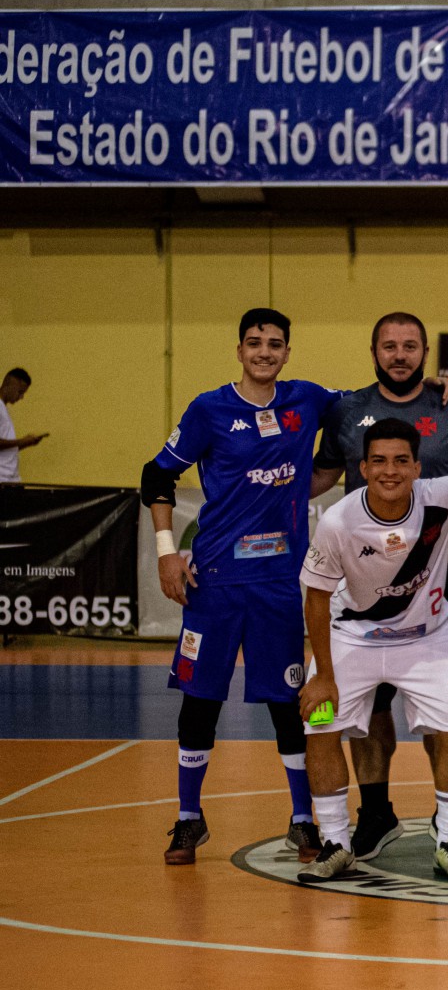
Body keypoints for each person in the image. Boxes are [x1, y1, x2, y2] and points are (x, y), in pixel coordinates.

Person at [139, 309, 342, 865]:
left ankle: (303, 820)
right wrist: (167, 554)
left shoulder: (308, 399)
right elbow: (156, 475)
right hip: (215, 583)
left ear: (287, 352)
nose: (264, 352)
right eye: (254, 343)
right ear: (239, 350)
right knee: (201, 701)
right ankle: (188, 818)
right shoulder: (209, 409)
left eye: (275, 344)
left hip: (280, 585)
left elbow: (371, 404)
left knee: (287, 703)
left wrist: (437, 389)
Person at [313, 311, 448, 861]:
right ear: (373, 352)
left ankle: (447, 826)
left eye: (410, 346)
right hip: (361, 597)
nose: (400, 355)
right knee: (364, 714)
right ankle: (373, 813)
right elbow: (319, 471)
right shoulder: (345, 409)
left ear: (425, 352)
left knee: (446, 716)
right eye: (390, 346)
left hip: (431, 591)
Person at [293, 419, 448, 885]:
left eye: (401, 461)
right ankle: (336, 843)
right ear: (362, 468)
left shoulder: (445, 494)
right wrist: (323, 676)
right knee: (319, 727)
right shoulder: (339, 522)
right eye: (378, 461)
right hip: (353, 638)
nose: (389, 471)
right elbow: (316, 599)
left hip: (428, 638)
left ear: (418, 467)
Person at [0, 367, 46, 483]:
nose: (21, 397)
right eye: (20, 392)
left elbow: (6, 449)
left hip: (10, 481)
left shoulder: (4, 409)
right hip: (3, 481)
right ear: (7, 383)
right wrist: (21, 441)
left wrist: (26, 443)